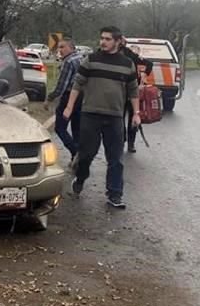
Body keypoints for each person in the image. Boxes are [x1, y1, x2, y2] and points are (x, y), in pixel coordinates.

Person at [63, 26, 140, 209]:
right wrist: (69, 107)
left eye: (107, 39)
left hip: (114, 117)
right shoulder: (90, 60)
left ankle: (115, 194)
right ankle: (80, 178)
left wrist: (136, 113)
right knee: (87, 154)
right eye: (102, 38)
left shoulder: (127, 64)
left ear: (117, 41)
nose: (103, 42)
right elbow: (77, 84)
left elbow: (133, 91)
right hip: (90, 115)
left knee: (116, 158)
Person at [45, 37, 83, 163]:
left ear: (71, 47)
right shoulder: (81, 58)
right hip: (81, 98)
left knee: (60, 127)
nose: (59, 50)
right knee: (76, 128)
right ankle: (77, 158)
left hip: (68, 97)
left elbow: (62, 85)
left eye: (62, 47)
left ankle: (75, 151)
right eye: (59, 47)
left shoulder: (68, 62)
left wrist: (50, 97)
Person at [120, 39, 153, 154]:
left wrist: (143, 76)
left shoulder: (129, 55)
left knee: (131, 118)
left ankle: (129, 142)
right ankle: (125, 140)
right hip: (122, 92)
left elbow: (149, 64)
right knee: (122, 118)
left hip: (131, 91)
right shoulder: (112, 54)